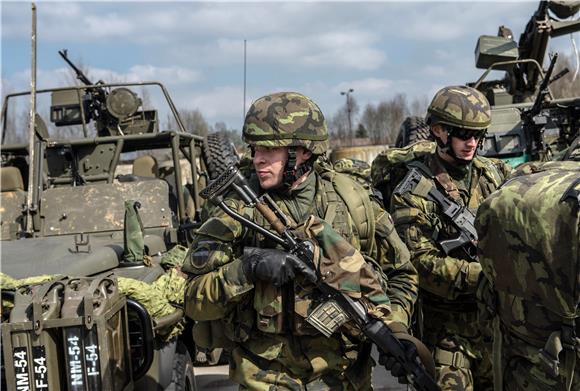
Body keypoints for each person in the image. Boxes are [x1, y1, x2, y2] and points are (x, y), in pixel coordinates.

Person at [183, 92, 418, 390]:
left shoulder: (352, 202)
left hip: (344, 377)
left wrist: (393, 329)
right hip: (264, 378)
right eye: (255, 148)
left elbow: (402, 274)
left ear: (303, 151)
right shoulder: (236, 209)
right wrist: (246, 269)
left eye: (270, 149)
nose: (257, 159)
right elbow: (191, 299)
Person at [386, 86, 511, 390]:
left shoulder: (494, 173)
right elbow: (419, 264)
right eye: (463, 134)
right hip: (448, 333)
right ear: (439, 131)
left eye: (478, 136)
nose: (472, 143)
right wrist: (488, 276)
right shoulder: (414, 189)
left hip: (495, 326)